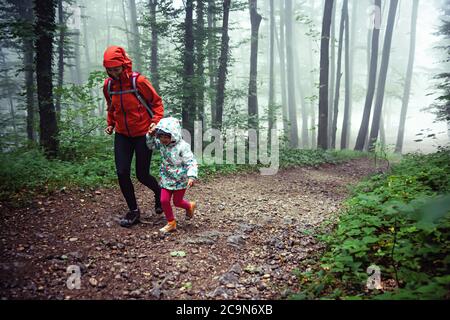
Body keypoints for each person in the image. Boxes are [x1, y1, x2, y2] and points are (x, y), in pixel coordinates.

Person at [102, 46, 164, 228]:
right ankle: (134, 211)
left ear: (124, 64)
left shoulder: (139, 82)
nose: (113, 73)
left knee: (142, 174)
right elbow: (111, 107)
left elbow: (157, 103)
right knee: (122, 173)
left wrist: (155, 121)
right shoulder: (108, 86)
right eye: (109, 69)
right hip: (122, 134)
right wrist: (110, 123)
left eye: (116, 69)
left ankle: (159, 193)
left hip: (143, 133)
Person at [146, 117, 198, 233]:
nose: (163, 139)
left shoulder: (182, 146)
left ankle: (189, 206)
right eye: (161, 136)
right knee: (164, 200)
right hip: (166, 176)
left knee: (177, 202)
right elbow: (151, 146)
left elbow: (191, 161)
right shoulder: (162, 144)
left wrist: (191, 176)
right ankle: (171, 222)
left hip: (180, 179)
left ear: (173, 135)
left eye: (166, 137)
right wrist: (150, 135)